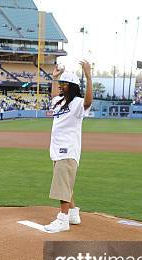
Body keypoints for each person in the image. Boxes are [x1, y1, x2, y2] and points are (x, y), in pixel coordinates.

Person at [44, 60, 93, 233]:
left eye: (63, 84)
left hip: (68, 150)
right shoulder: (59, 102)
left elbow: (88, 102)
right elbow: (52, 97)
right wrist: (54, 78)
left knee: (61, 186)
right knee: (65, 184)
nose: (60, 86)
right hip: (57, 150)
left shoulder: (78, 103)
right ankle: (72, 213)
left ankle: (63, 219)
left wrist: (88, 75)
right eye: (60, 83)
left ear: (72, 86)